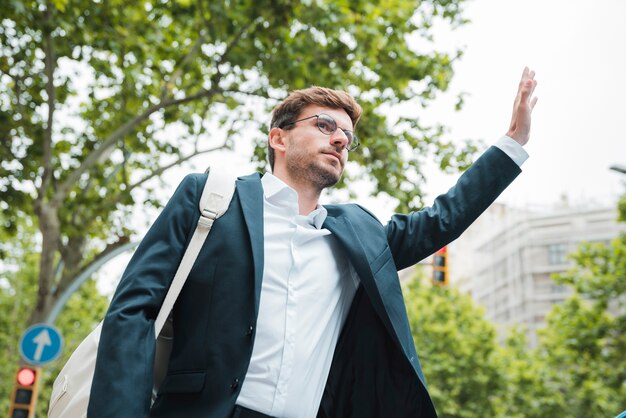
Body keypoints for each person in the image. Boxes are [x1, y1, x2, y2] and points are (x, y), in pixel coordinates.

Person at [89, 68, 538, 418]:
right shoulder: (211, 198)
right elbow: (133, 310)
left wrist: (513, 143)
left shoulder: (357, 236)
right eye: (325, 126)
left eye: (347, 136)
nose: (341, 139)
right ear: (278, 138)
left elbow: (444, 218)